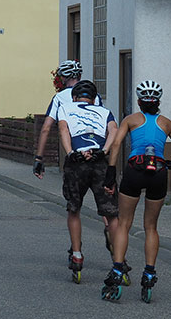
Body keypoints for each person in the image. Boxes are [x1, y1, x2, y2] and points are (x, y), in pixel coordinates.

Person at [100, 80, 171, 303]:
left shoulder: (130, 120)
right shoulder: (167, 123)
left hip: (134, 170)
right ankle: (149, 272)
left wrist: (111, 172)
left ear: (139, 101)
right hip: (158, 173)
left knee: (125, 223)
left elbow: (117, 145)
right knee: (150, 227)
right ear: (158, 102)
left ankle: (118, 270)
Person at [54, 80, 119, 283]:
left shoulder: (65, 108)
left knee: (74, 209)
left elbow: (63, 130)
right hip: (100, 162)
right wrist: (104, 151)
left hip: (77, 163)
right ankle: (119, 259)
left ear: (75, 97)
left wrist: (71, 153)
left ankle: (77, 254)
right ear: (94, 98)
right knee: (111, 213)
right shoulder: (104, 111)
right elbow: (114, 132)